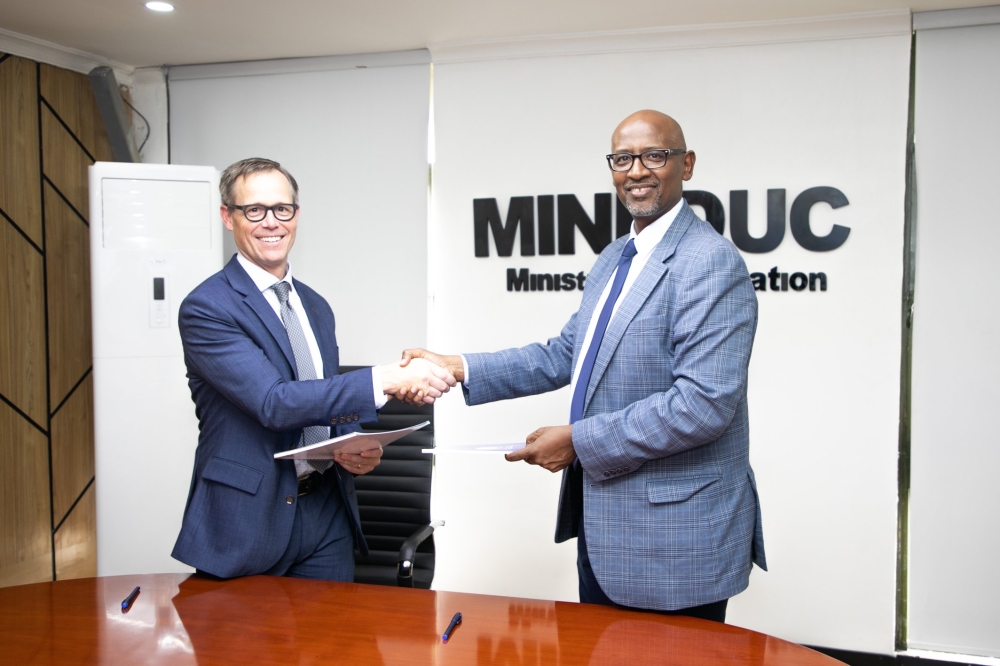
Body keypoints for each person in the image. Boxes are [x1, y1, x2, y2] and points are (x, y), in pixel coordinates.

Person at [402, 110, 765, 622]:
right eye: (622, 158)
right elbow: (565, 352)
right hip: (606, 526)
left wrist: (578, 440)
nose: (636, 170)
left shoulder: (709, 261)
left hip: (674, 541)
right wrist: (458, 365)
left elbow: (703, 406)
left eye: (654, 155)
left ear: (686, 165)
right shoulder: (616, 256)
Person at [172, 157, 455, 581]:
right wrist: (388, 378)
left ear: (297, 215)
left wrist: (351, 445)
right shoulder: (208, 308)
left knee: (328, 646)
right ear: (227, 218)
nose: (271, 222)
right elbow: (275, 402)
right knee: (243, 649)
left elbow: (320, 396)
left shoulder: (315, 306)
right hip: (247, 516)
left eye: (282, 209)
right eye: (255, 210)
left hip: (326, 514)